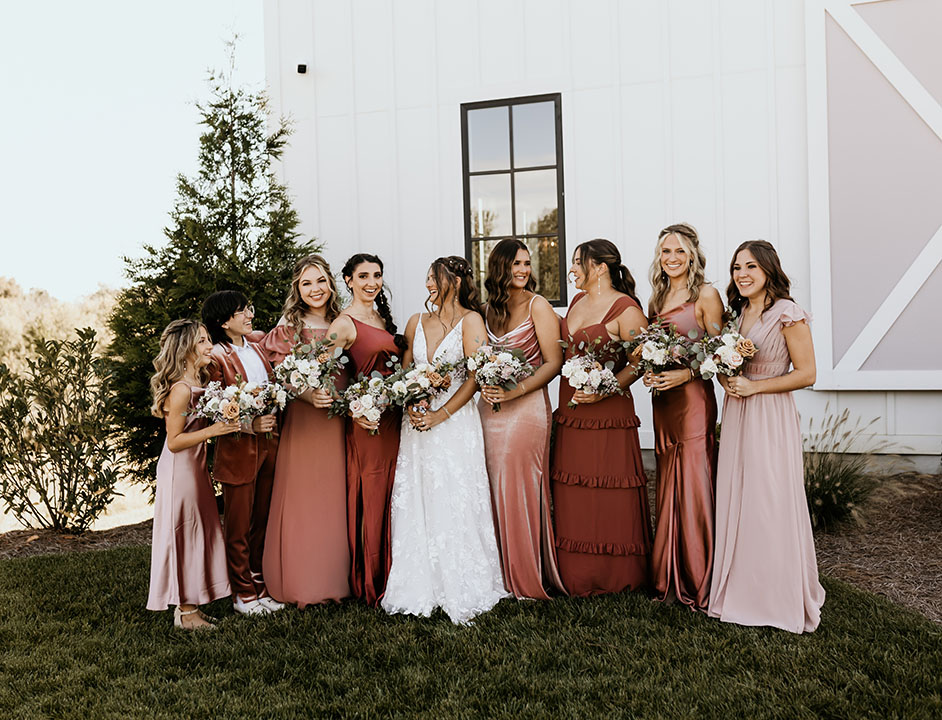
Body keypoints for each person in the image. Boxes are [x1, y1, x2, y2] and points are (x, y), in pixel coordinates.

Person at [381, 256, 508, 624]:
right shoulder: (415, 322)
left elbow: (473, 377)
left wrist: (441, 413)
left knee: (454, 493)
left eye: (434, 278)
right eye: (426, 278)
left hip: (454, 424)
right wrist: (414, 399)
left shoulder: (472, 321)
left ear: (454, 280)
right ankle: (419, 582)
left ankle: (461, 580)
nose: (428, 285)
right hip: (417, 421)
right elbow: (404, 371)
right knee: (419, 494)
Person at [708, 240, 825, 633]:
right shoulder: (738, 313)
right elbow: (730, 364)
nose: (741, 274)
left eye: (751, 267)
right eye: (737, 267)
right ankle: (740, 588)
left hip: (769, 413)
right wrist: (727, 377)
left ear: (769, 270)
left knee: (768, 498)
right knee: (738, 495)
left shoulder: (788, 314)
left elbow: (807, 374)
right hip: (738, 413)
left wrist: (755, 387)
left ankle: (776, 595)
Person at [551, 239, 652, 597]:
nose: (572, 269)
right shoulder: (578, 301)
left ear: (600, 267)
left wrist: (606, 387)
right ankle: (575, 572)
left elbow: (643, 360)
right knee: (574, 487)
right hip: (572, 410)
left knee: (608, 487)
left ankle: (613, 575)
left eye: (579, 262)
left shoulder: (626, 309)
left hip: (608, 413)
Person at [257, 255, 351, 607]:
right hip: (304, 418)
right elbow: (280, 374)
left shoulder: (344, 322)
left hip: (337, 419)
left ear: (331, 284)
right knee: (303, 495)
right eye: (307, 283)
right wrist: (310, 395)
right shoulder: (288, 327)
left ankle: (335, 580)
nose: (316, 289)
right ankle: (302, 584)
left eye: (321, 281)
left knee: (334, 496)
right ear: (297, 288)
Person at [477, 239, 566, 599]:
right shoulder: (483, 311)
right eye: (516, 264)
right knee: (487, 486)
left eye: (527, 264)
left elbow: (553, 363)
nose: (523, 270)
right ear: (499, 267)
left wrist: (515, 391)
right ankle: (494, 573)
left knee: (518, 487)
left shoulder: (538, 305)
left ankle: (525, 576)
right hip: (489, 409)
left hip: (526, 406)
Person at [642, 224, 724, 611]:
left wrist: (686, 373)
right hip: (663, 401)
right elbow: (651, 347)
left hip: (692, 399)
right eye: (665, 252)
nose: (671, 258)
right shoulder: (657, 298)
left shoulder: (705, 295)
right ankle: (668, 575)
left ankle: (699, 576)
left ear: (692, 255)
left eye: (678, 251)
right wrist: (649, 370)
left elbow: (721, 354)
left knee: (693, 479)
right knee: (668, 478)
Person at [323, 253, 404, 607]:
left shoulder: (382, 318)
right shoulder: (343, 324)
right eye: (364, 276)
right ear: (349, 281)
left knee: (394, 494)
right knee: (372, 496)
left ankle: (397, 570)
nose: (372, 282)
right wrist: (353, 410)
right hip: (368, 424)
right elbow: (322, 380)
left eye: (377, 275)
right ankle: (371, 580)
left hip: (395, 419)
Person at [146, 319, 237, 629]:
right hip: (179, 473)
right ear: (185, 349)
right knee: (184, 534)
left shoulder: (198, 384)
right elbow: (174, 442)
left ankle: (192, 606)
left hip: (195, 468)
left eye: (207, 339)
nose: (208, 345)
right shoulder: (181, 390)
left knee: (198, 533)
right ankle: (186, 613)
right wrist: (213, 430)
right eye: (201, 341)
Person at [202, 291, 283, 616]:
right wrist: (250, 424)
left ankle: (258, 583)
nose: (250, 314)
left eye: (248, 308)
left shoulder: (257, 348)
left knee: (261, 520)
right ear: (224, 321)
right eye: (242, 311)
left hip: (270, 446)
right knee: (238, 524)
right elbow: (212, 407)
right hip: (238, 450)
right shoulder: (216, 358)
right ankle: (241, 592)